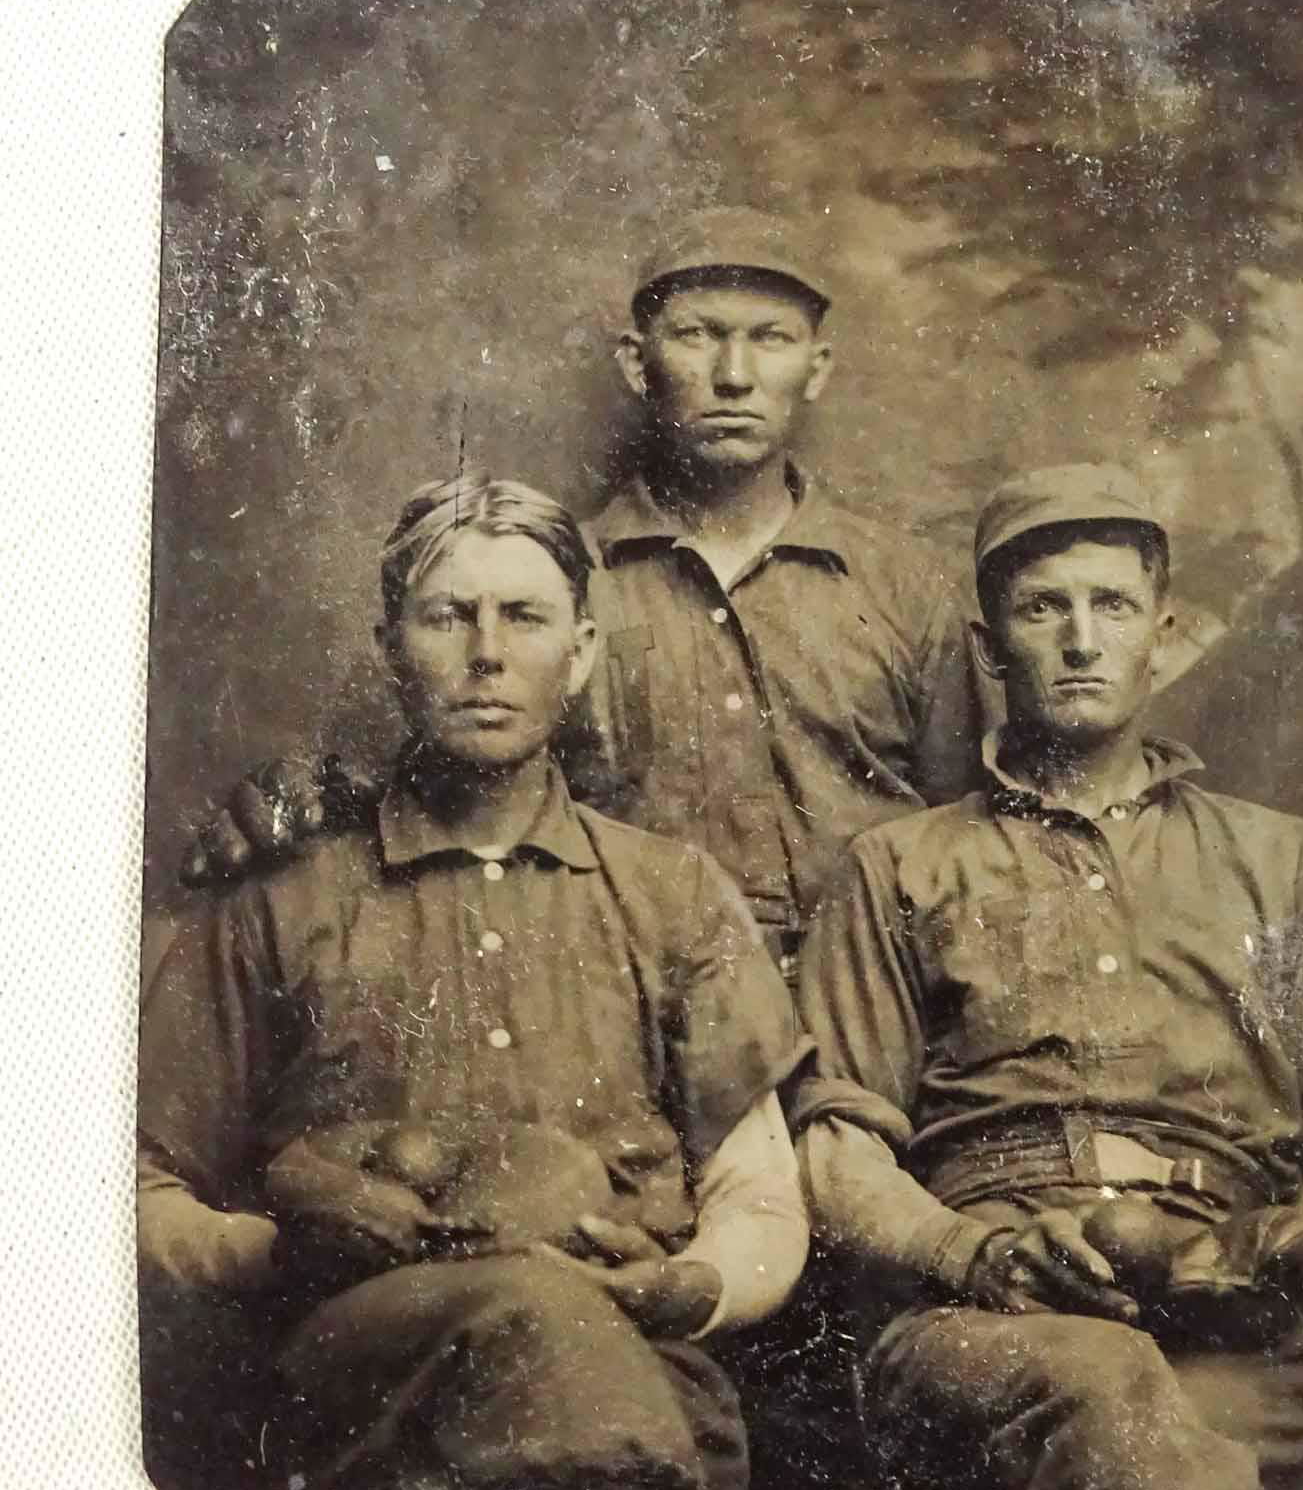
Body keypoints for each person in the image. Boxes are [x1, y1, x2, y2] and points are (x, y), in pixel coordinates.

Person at [138, 475, 810, 1490]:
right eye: (447, 617)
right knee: (526, 1307)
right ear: (390, 643)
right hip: (354, 1378)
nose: (488, 654)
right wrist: (270, 1248)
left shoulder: (671, 893)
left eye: (526, 616)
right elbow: (137, 1188)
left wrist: (691, 1281)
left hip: (646, 1378)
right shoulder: (281, 897)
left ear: (584, 649)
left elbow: (758, 1192)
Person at [788, 462, 1303, 1490]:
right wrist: (970, 1252)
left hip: (1223, 1292)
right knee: (1108, 1402)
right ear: (987, 642)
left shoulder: (1277, 858)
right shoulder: (899, 864)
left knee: (1193, 1478)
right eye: (1041, 607)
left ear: (1161, 629)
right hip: (983, 1308)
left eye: (1111, 605)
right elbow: (835, 1153)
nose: (1079, 637)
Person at [183, 207, 986, 979]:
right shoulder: (542, 585)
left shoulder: (906, 587)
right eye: (699, 335)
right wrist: (302, 795)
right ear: (639, 364)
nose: (734, 376)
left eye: (769, 339)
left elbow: (966, 837)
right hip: (623, 995)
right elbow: (437, 776)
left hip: (876, 1011)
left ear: (816, 367)